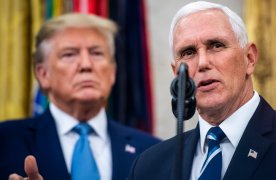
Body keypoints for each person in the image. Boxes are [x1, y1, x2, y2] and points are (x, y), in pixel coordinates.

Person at [129, 1, 276, 180]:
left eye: (216, 45)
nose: (202, 63)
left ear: (250, 58)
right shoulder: (148, 167)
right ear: (177, 75)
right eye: (188, 52)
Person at [0, 13, 160, 180]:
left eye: (96, 53)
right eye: (69, 54)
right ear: (43, 74)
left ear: (112, 72)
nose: (86, 65)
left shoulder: (152, 151)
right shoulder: (5, 142)